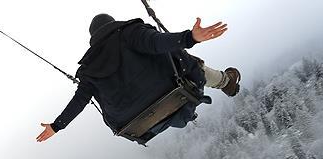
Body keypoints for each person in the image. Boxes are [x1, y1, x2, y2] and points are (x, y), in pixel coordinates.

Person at [36, 14, 240, 144]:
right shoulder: (129, 32)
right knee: (186, 62)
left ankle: (223, 83)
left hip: (133, 123)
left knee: (176, 63)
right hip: (170, 91)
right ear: (113, 23)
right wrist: (190, 38)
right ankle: (225, 82)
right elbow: (157, 42)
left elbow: (79, 101)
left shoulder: (88, 70)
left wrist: (57, 126)